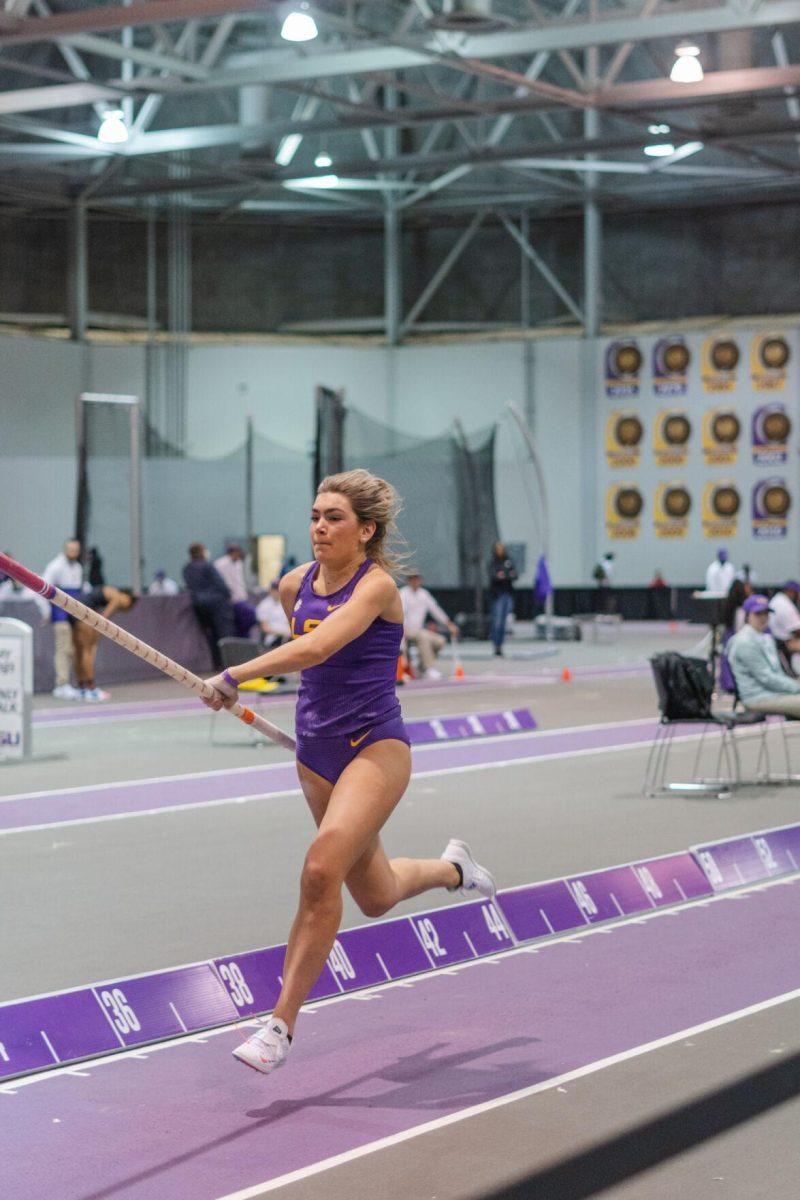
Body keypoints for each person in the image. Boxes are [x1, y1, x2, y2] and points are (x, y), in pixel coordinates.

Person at [202, 468, 495, 1076]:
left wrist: (234, 677)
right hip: (317, 752)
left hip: (375, 748)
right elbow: (309, 668)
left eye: (334, 518)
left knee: (319, 870)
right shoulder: (292, 586)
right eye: (314, 515)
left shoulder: (378, 586)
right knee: (375, 894)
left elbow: (315, 650)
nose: (319, 527)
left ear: (366, 530)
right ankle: (453, 868)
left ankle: (279, 1026)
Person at [727, 594, 800, 716]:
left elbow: (776, 675)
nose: (763, 618)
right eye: (758, 614)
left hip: (774, 694)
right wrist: (796, 687)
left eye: (766, 613)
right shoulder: (744, 642)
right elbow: (766, 678)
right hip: (757, 698)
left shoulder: (765, 639)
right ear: (747, 616)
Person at [72, 586, 136, 701]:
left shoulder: (110, 592)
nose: (125, 608)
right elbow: (102, 621)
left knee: (79, 651)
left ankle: (81, 688)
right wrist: (96, 636)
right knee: (87, 650)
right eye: (128, 606)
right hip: (84, 611)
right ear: (128, 598)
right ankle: (91, 688)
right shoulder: (117, 597)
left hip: (75, 609)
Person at [42, 538, 84, 700]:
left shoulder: (78, 567)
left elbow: (78, 590)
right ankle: (61, 684)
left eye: (76, 549)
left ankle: (67, 683)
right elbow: (42, 589)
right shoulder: (55, 566)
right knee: (63, 649)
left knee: (72, 650)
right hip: (60, 615)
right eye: (70, 549)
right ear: (65, 549)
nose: (73, 552)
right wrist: (46, 611)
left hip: (74, 615)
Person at [182, 543, 234, 669]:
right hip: (217, 605)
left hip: (199, 606)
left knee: (211, 635)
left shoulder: (187, 568)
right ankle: (229, 664)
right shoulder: (208, 566)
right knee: (224, 634)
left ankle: (217, 664)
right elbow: (221, 585)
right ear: (202, 551)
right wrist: (227, 596)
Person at [399, 571, 459, 680]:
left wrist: (449, 624)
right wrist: (402, 629)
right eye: (412, 578)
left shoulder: (424, 594)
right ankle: (429, 668)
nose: (415, 581)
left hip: (419, 630)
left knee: (440, 641)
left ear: (420, 580)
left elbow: (435, 610)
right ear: (408, 581)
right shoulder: (403, 594)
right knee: (423, 636)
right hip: (405, 630)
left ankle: (422, 667)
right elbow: (401, 613)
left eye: (417, 578)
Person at [214, 543, 257, 638]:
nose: (239, 555)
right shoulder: (220, 564)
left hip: (241, 598)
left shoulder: (238, 563)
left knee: (242, 624)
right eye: (238, 552)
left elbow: (239, 581)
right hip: (231, 600)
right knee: (252, 614)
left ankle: (242, 637)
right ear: (232, 552)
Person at [489, 541, 518, 656]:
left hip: (508, 594)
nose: (500, 550)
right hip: (498, 595)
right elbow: (494, 577)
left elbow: (514, 575)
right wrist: (506, 575)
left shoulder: (508, 561)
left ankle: (500, 645)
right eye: (498, 548)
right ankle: (496, 645)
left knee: (504, 622)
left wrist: (504, 575)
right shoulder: (493, 562)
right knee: (497, 622)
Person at [766, 580, 800, 676]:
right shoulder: (784, 605)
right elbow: (797, 630)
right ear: (791, 592)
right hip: (782, 642)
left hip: (781, 638)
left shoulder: (779, 599)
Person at [256, 580, 291, 648]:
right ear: (270, 591)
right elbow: (265, 628)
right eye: (275, 590)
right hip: (273, 638)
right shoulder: (264, 605)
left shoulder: (286, 602)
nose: (277, 592)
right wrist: (283, 633)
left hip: (288, 636)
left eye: (278, 590)